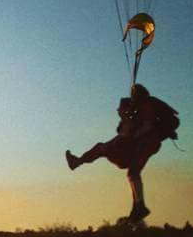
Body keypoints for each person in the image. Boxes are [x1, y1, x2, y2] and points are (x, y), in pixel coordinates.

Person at [64, 84, 179, 223]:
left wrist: (131, 133)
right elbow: (123, 135)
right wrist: (127, 122)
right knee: (126, 168)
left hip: (148, 142)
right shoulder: (136, 114)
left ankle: (139, 207)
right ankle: (138, 208)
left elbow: (145, 127)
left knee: (132, 172)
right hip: (140, 145)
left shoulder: (145, 106)